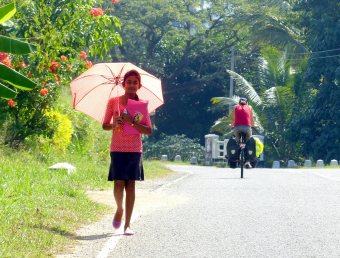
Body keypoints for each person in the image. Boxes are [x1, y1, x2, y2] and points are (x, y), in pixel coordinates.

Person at [102, 69, 152, 235]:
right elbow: (104, 125)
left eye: (134, 82)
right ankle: (119, 209)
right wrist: (114, 124)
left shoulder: (141, 105)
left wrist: (132, 122)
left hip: (134, 149)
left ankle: (128, 224)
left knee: (130, 185)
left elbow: (148, 130)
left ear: (139, 86)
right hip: (117, 148)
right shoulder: (113, 102)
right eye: (129, 82)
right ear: (123, 84)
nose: (131, 85)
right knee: (118, 183)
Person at [228, 97, 255, 168]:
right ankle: (248, 162)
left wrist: (231, 125)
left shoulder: (235, 107)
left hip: (237, 128)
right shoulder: (249, 107)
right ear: (247, 103)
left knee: (237, 141)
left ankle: (236, 154)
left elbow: (234, 119)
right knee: (248, 142)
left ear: (239, 103)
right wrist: (253, 125)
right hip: (247, 128)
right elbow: (251, 118)